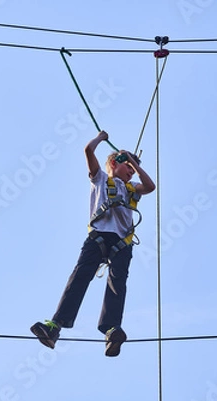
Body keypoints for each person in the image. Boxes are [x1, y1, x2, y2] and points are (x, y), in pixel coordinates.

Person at [30, 130, 155, 357]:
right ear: (113, 164)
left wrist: (133, 163)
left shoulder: (132, 189)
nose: (130, 170)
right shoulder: (99, 178)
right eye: (127, 165)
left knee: (117, 284)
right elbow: (88, 150)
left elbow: (150, 186)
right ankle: (55, 327)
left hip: (121, 243)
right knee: (79, 277)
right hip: (97, 237)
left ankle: (111, 330)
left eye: (132, 168)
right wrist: (101, 138)